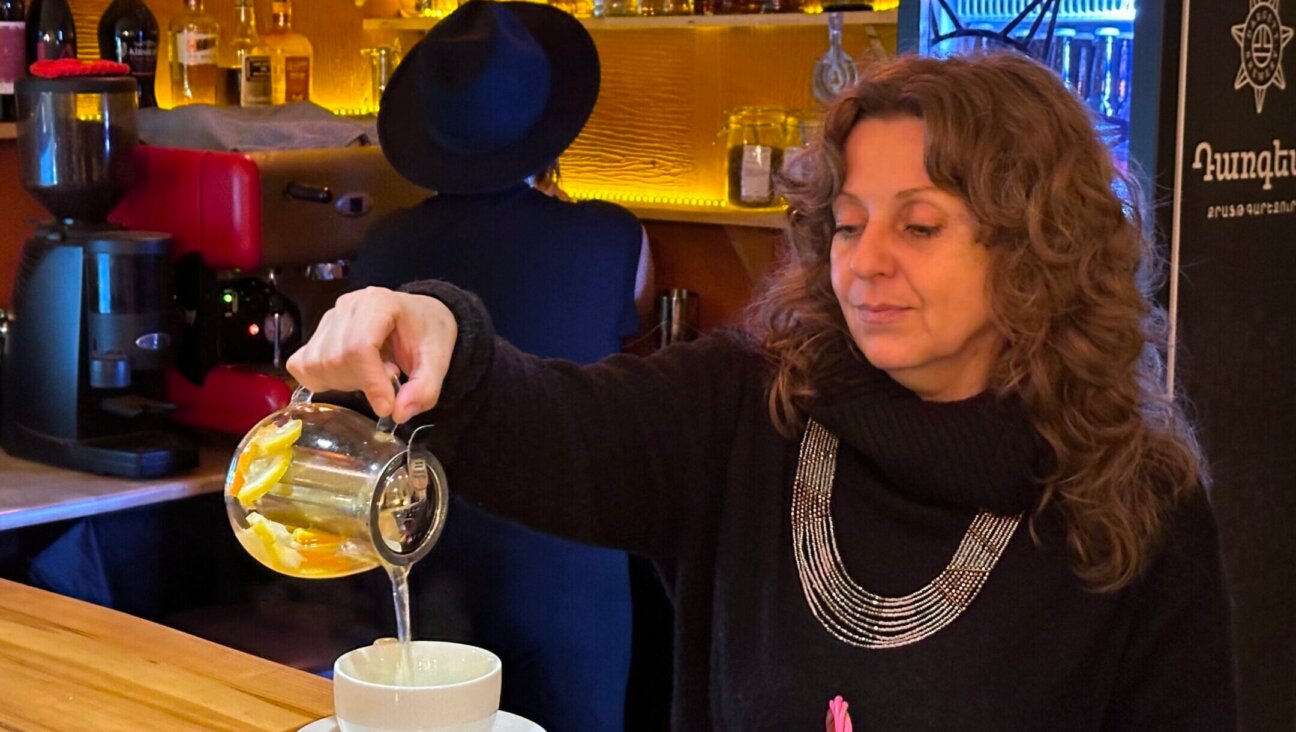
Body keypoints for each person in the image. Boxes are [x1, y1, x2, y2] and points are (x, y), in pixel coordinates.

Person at [289, 52, 1237, 730]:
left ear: (1034, 248)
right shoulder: (751, 408)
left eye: (919, 227)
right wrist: (442, 334)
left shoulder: (1134, 495)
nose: (864, 264)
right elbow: (554, 427)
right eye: (850, 223)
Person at [351, 3, 652, 730]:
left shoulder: (383, 249)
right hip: (567, 566)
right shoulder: (612, 235)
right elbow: (630, 323)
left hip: (424, 555)